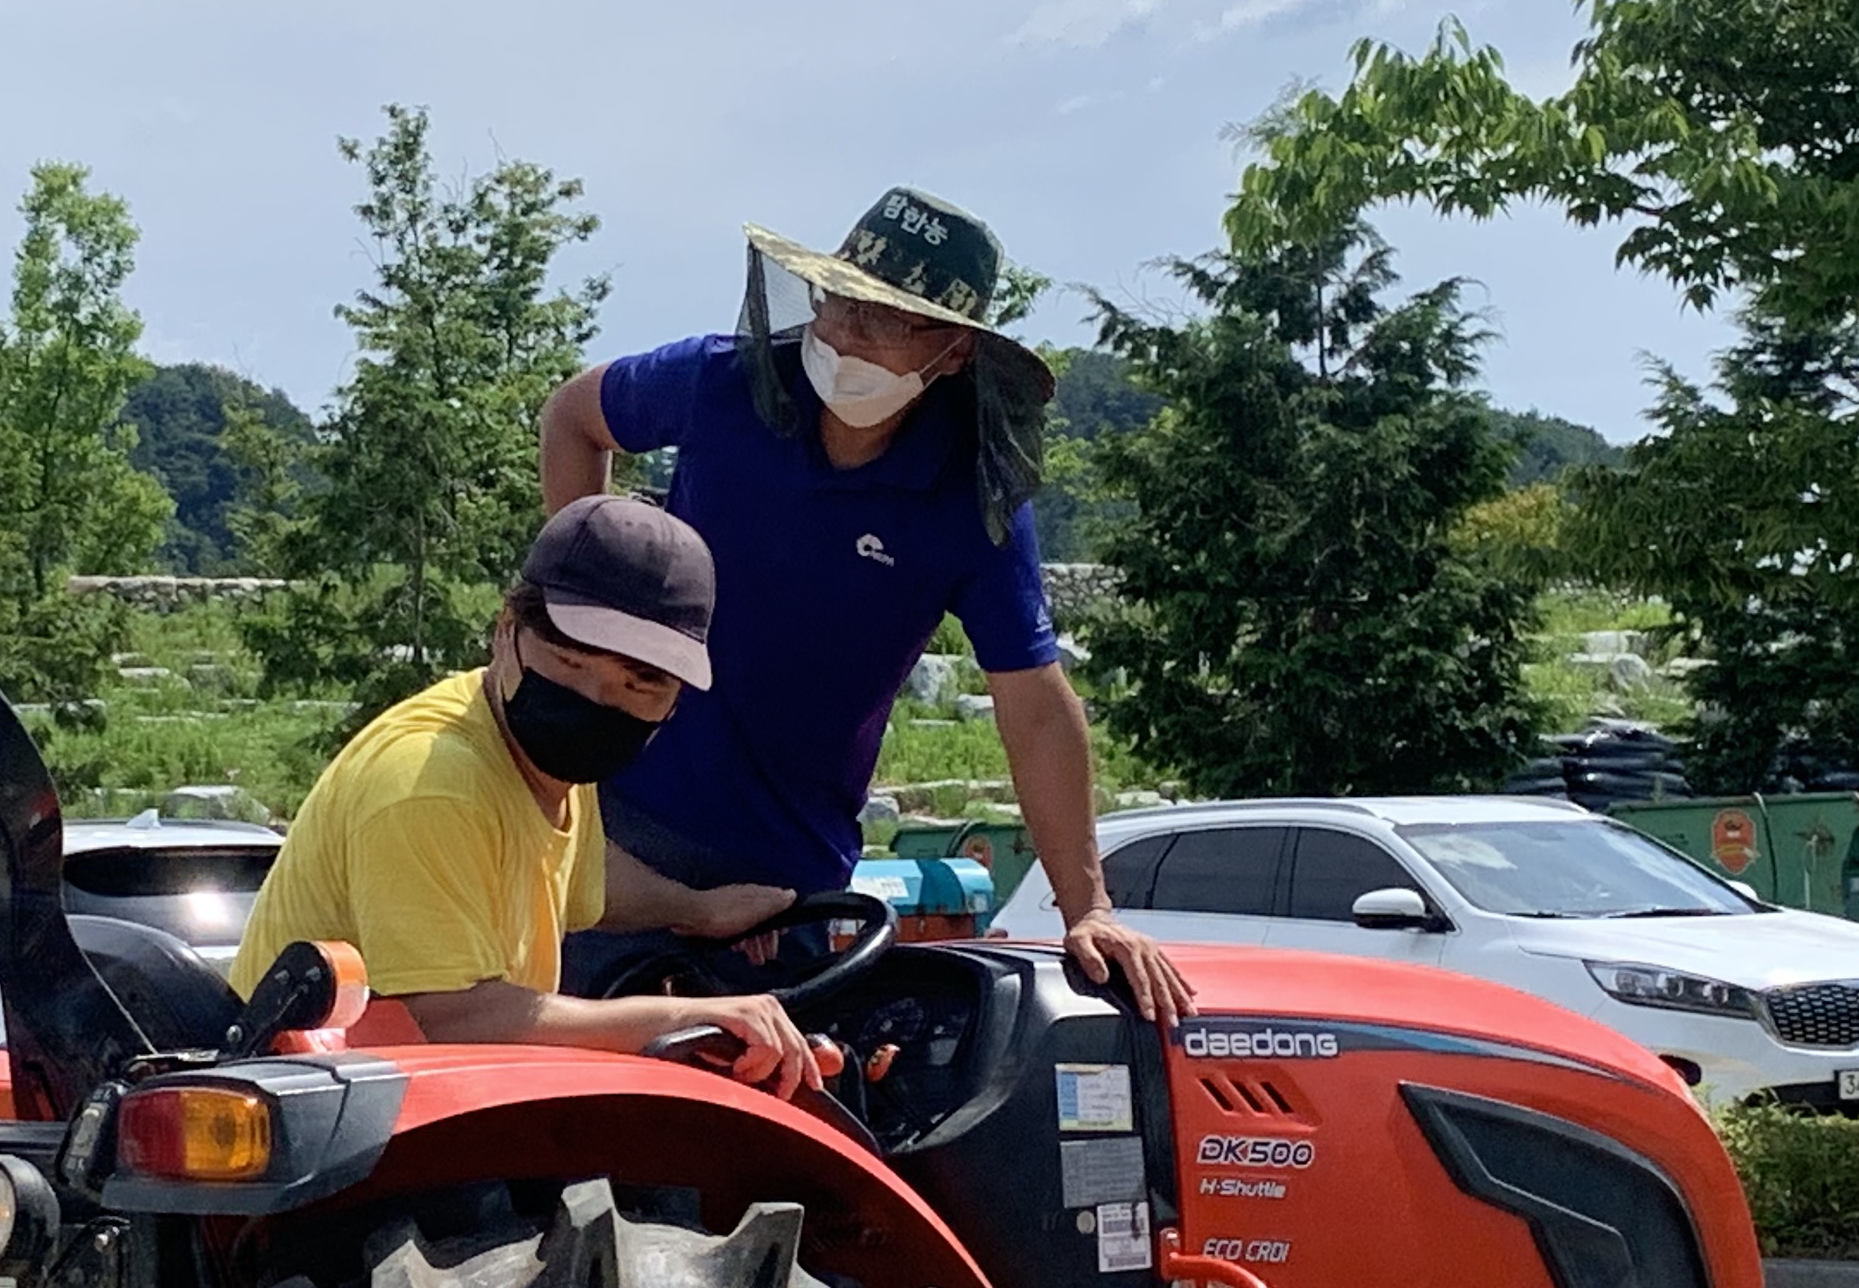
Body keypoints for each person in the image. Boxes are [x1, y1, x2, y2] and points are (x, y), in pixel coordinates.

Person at [537, 184, 1196, 1019]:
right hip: (613, 821)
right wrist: (576, 603)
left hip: (786, 884)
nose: (846, 335)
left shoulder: (970, 498)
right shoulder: (721, 384)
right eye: (839, 303)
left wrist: (1088, 909)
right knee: (559, 1104)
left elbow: (1033, 705)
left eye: (883, 320)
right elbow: (572, 415)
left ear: (954, 351)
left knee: (760, 1126)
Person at [235, 496, 822, 1097]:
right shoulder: (434, 782)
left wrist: (700, 910)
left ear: (675, 698)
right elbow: (447, 1018)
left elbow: (581, 878)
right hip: (315, 1120)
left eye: (639, 682)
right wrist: (681, 1017)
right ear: (506, 631)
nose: (596, 699)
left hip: (412, 1104)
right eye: (570, 661)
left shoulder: (536, 762)